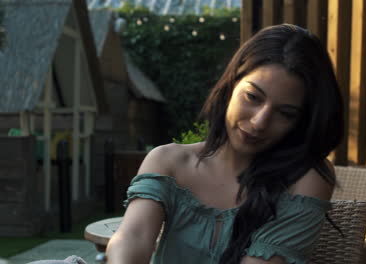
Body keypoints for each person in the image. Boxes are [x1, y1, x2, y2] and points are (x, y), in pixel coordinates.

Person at [106, 23, 344, 264]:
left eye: (286, 113)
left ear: (301, 122)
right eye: (252, 97)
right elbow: (133, 236)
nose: (259, 122)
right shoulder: (168, 162)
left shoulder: (306, 179)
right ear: (231, 85)